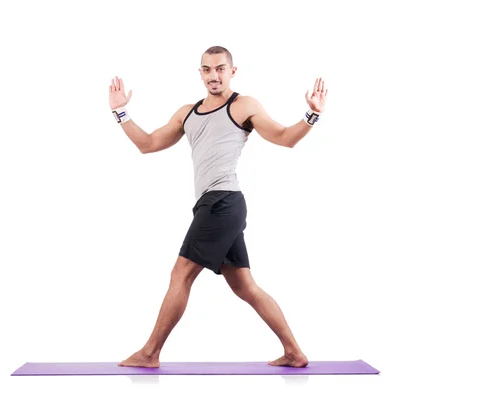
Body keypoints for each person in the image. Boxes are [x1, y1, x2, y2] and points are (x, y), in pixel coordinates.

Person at [108, 46, 328, 368]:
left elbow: (284, 137)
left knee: (180, 273)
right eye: (207, 70)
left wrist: (312, 114)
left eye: (221, 69)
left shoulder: (243, 106)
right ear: (200, 73)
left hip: (223, 201)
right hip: (212, 206)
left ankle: (150, 352)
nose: (214, 75)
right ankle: (294, 352)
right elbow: (148, 144)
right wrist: (120, 112)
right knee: (245, 286)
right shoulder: (188, 112)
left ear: (233, 71)